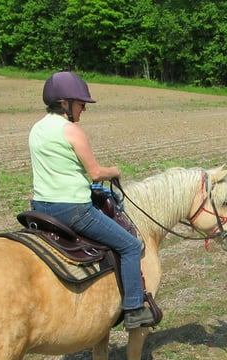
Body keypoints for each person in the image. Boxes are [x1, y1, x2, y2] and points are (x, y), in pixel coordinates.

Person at [29, 71, 157, 330]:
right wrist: (114, 171)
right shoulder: (70, 130)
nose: (84, 108)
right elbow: (96, 173)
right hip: (73, 210)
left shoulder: (36, 129)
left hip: (40, 207)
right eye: (81, 103)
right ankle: (134, 310)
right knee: (131, 245)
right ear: (64, 103)